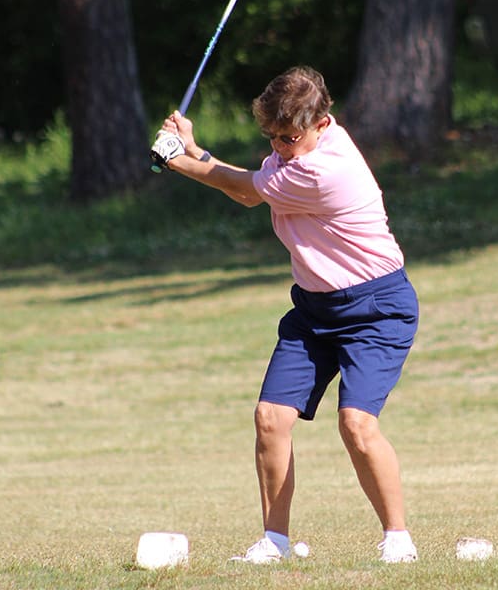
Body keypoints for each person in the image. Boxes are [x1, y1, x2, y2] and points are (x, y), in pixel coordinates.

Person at [150, 66, 419, 564]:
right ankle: (274, 541)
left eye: (289, 137)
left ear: (322, 123)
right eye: (271, 137)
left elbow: (248, 191)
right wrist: (192, 148)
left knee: (356, 424)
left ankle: (398, 540)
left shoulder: (323, 171)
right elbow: (250, 181)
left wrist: (177, 161)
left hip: (377, 308)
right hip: (315, 308)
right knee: (270, 418)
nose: (279, 146)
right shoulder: (293, 155)